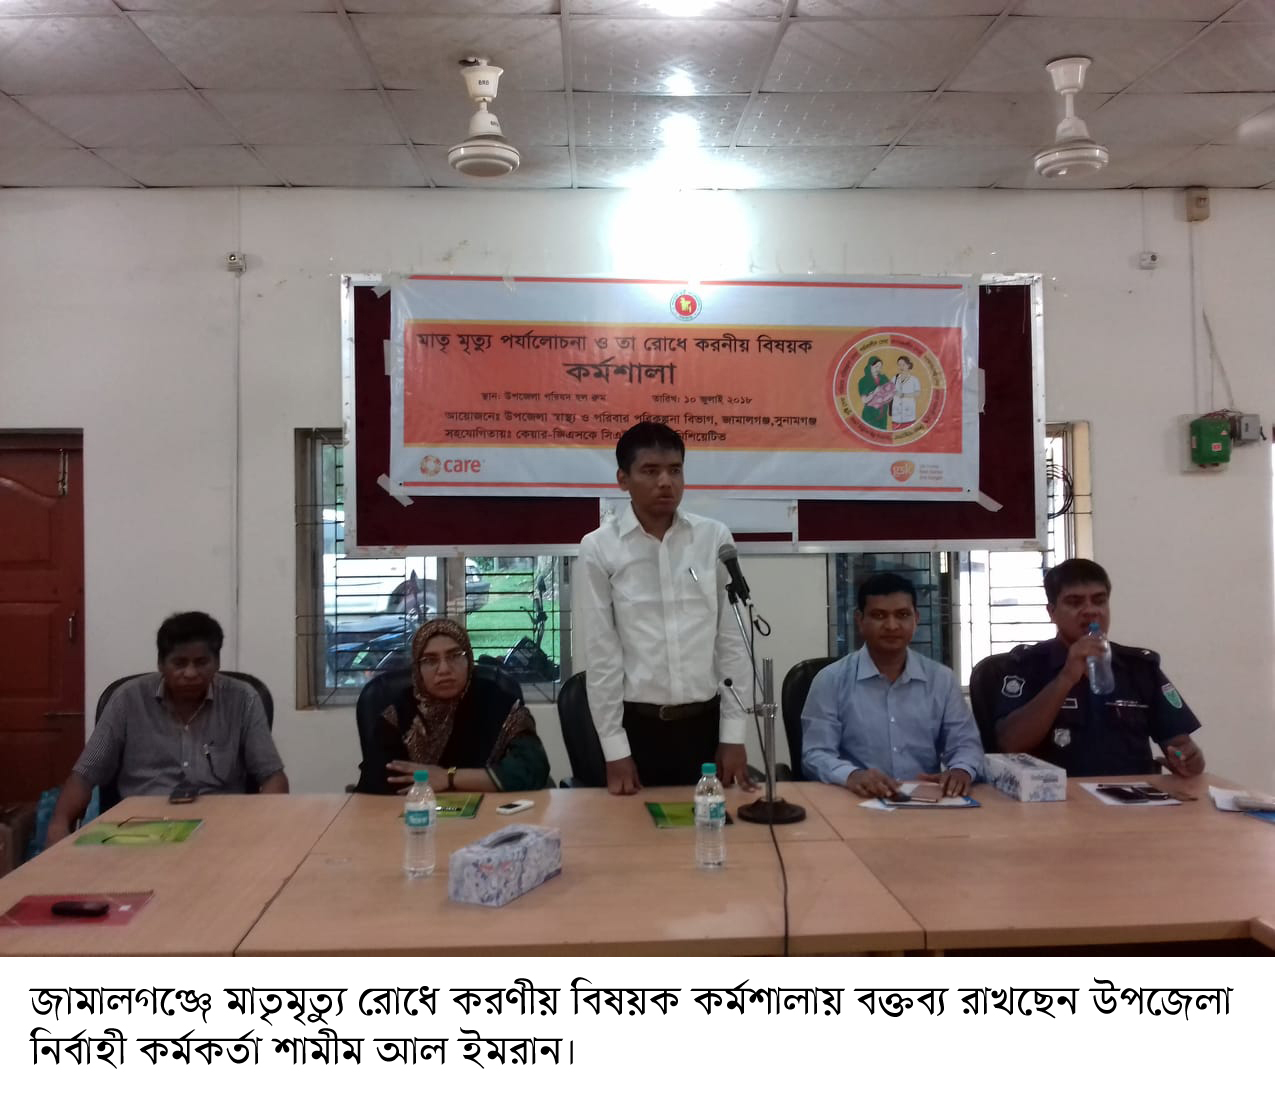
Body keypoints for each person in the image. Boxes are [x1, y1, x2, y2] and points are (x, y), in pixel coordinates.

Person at [574, 421, 756, 795]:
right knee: (637, 831)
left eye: (675, 470)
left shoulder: (713, 538)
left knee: (715, 826)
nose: (665, 482)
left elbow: (733, 642)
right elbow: (602, 653)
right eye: (650, 471)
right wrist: (615, 750)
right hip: (638, 727)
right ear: (623, 479)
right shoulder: (599, 547)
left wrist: (734, 734)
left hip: (705, 725)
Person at [46, 612, 288, 844]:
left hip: (223, 826)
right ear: (161, 664)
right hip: (139, 829)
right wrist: (58, 824)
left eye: (201, 662)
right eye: (180, 663)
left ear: (217, 662)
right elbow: (85, 775)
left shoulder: (243, 699)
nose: (191, 673)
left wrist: (263, 827)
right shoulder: (127, 700)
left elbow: (272, 776)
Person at [993, 558, 1204, 777]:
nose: (1090, 610)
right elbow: (1009, 743)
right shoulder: (1027, 664)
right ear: (1052, 612)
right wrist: (1066, 678)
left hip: (1132, 794)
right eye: (1075, 602)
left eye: (1099, 601)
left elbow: (1179, 744)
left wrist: (1189, 760)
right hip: (1054, 794)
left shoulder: (1139, 667)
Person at [801, 572, 983, 798]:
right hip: (855, 799)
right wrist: (852, 775)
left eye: (902, 615)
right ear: (860, 620)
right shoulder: (830, 680)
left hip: (924, 801)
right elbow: (816, 754)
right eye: (879, 615)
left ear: (916, 618)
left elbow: (966, 745)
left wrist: (961, 770)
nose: (891, 625)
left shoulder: (942, 680)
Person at [356, 618, 550, 795]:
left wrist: (448, 777)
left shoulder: (499, 704)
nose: (444, 669)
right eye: (430, 660)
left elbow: (532, 769)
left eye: (454, 655)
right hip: (415, 815)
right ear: (417, 669)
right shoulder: (398, 714)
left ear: (468, 660)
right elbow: (375, 785)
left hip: (492, 814)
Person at [858, 356, 894, 431]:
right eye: (876, 366)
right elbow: (864, 400)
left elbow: (891, 392)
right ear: (870, 366)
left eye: (880, 367)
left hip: (883, 415)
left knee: (882, 435)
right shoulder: (863, 381)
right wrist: (875, 392)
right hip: (870, 415)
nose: (878, 369)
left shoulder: (884, 378)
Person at [890, 355, 921, 426]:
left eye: (903, 365)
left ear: (908, 365)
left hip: (909, 415)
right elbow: (890, 391)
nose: (901, 367)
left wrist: (904, 395)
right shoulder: (894, 378)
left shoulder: (914, 379)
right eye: (899, 365)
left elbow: (917, 393)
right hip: (896, 415)